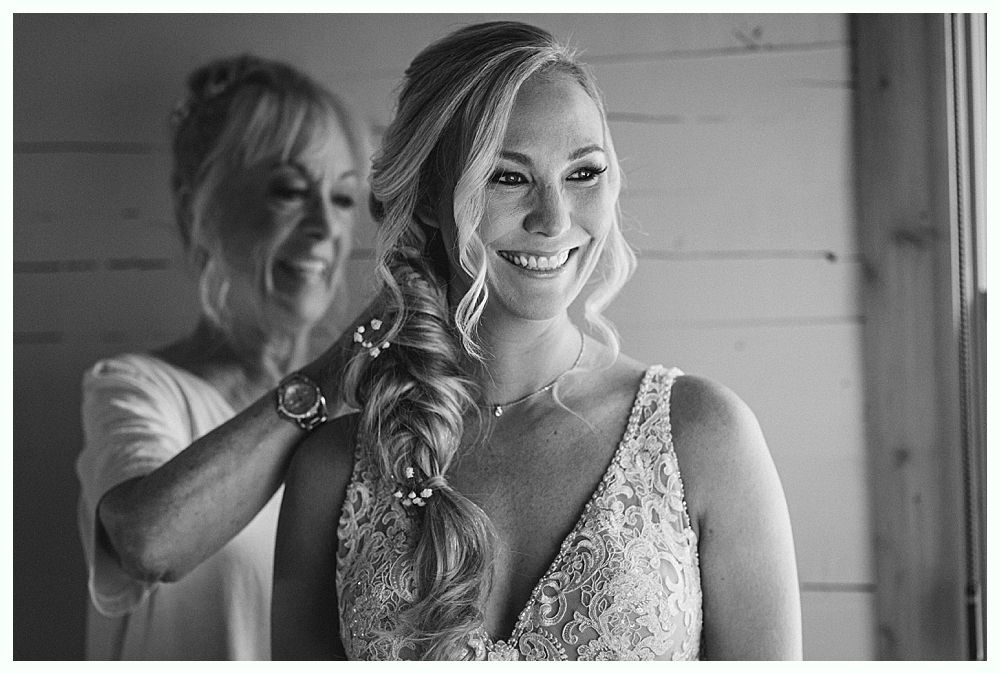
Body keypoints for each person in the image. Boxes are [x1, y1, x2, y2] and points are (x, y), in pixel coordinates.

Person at [272, 21, 802, 661]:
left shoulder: (703, 437)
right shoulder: (333, 470)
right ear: (433, 198)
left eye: (584, 173)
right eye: (506, 176)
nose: (554, 220)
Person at [75, 54, 372, 660]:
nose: (324, 228)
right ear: (196, 211)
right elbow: (148, 543)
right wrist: (336, 368)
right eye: (290, 190)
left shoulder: (369, 408)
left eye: (343, 199)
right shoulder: (137, 389)